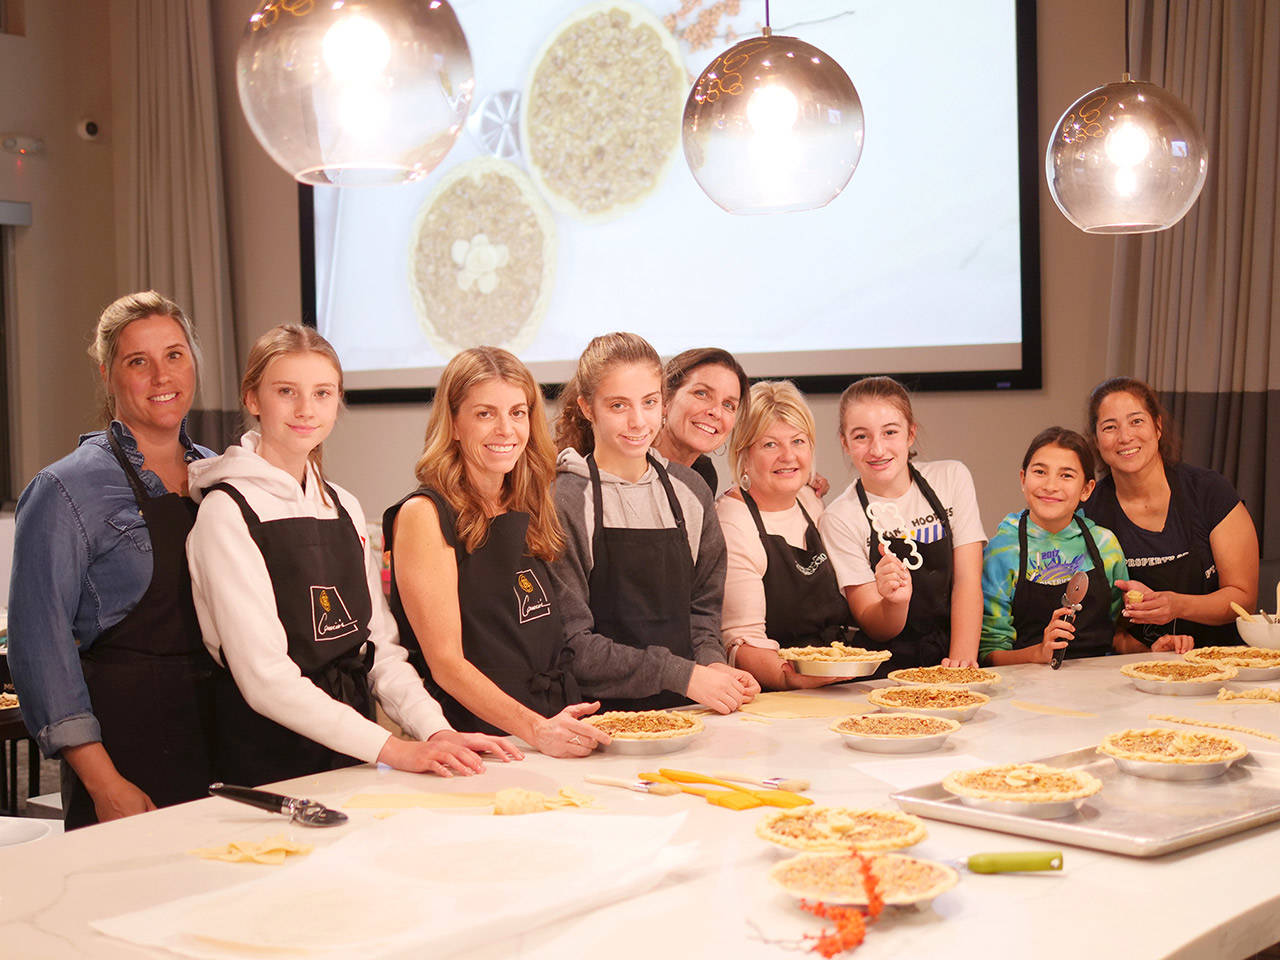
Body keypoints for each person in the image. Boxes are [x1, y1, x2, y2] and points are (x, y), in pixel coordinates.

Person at [187, 325, 516, 786]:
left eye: (322, 393)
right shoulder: (227, 511)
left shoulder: (342, 506)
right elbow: (266, 680)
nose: (306, 409)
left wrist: (437, 731)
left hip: (352, 756)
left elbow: (380, 650)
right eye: (287, 392)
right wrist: (393, 749)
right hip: (268, 760)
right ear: (253, 399)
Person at [8, 291, 217, 828]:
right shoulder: (64, 489)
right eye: (137, 361)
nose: (161, 376)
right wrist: (105, 783)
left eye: (174, 355)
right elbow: (41, 649)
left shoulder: (226, 477)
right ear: (107, 374)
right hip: (129, 756)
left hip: (228, 737)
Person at [383, 347, 610, 757]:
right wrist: (535, 729)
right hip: (477, 740)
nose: (506, 429)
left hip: (551, 725)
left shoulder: (530, 502)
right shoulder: (424, 514)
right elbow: (447, 665)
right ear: (453, 424)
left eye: (518, 413)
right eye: (485, 414)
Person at [548, 332, 760, 713]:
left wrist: (714, 668)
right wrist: (686, 675)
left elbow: (703, 614)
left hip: (691, 712)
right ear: (586, 407)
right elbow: (572, 645)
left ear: (663, 403)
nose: (637, 421)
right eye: (618, 405)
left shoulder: (691, 491)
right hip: (597, 719)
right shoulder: (565, 500)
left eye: (649, 403)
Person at [979, 427, 1188, 666]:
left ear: (1087, 489)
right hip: (1026, 691)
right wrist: (1038, 654)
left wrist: (1153, 650)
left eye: (1066, 475)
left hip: (1099, 687)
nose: (1050, 485)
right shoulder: (1001, 552)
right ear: (1023, 479)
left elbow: (1115, 636)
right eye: (1040, 472)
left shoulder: (1104, 545)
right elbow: (989, 654)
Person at [819, 377, 986, 670]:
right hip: (885, 668)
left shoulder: (952, 478)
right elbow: (876, 625)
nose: (877, 449)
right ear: (845, 443)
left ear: (910, 434)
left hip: (955, 653)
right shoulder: (839, 517)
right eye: (861, 437)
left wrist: (961, 664)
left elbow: (968, 581)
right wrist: (894, 602)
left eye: (890, 432)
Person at [1084, 377, 1259, 648]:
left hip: (1225, 658)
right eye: (1110, 427)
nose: (1125, 436)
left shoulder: (1208, 491)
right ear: (1096, 441)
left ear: (1158, 427)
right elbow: (1105, 626)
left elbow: (1243, 597)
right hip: (1141, 667)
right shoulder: (1089, 515)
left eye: (1136, 421)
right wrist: (1148, 652)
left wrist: (1176, 605)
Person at [716, 381, 856, 690]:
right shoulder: (733, 521)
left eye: (798, 441)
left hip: (836, 677)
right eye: (770, 445)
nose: (788, 456)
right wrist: (790, 675)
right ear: (744, 454)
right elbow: (741, 643)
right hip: (778, 694)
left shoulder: (810, 501)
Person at [652, 348, 749, 495]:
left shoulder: (703, 474)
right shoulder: (626, 465)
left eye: (728, 405)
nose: (716, 412)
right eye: (701, 394)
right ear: (665, 398)